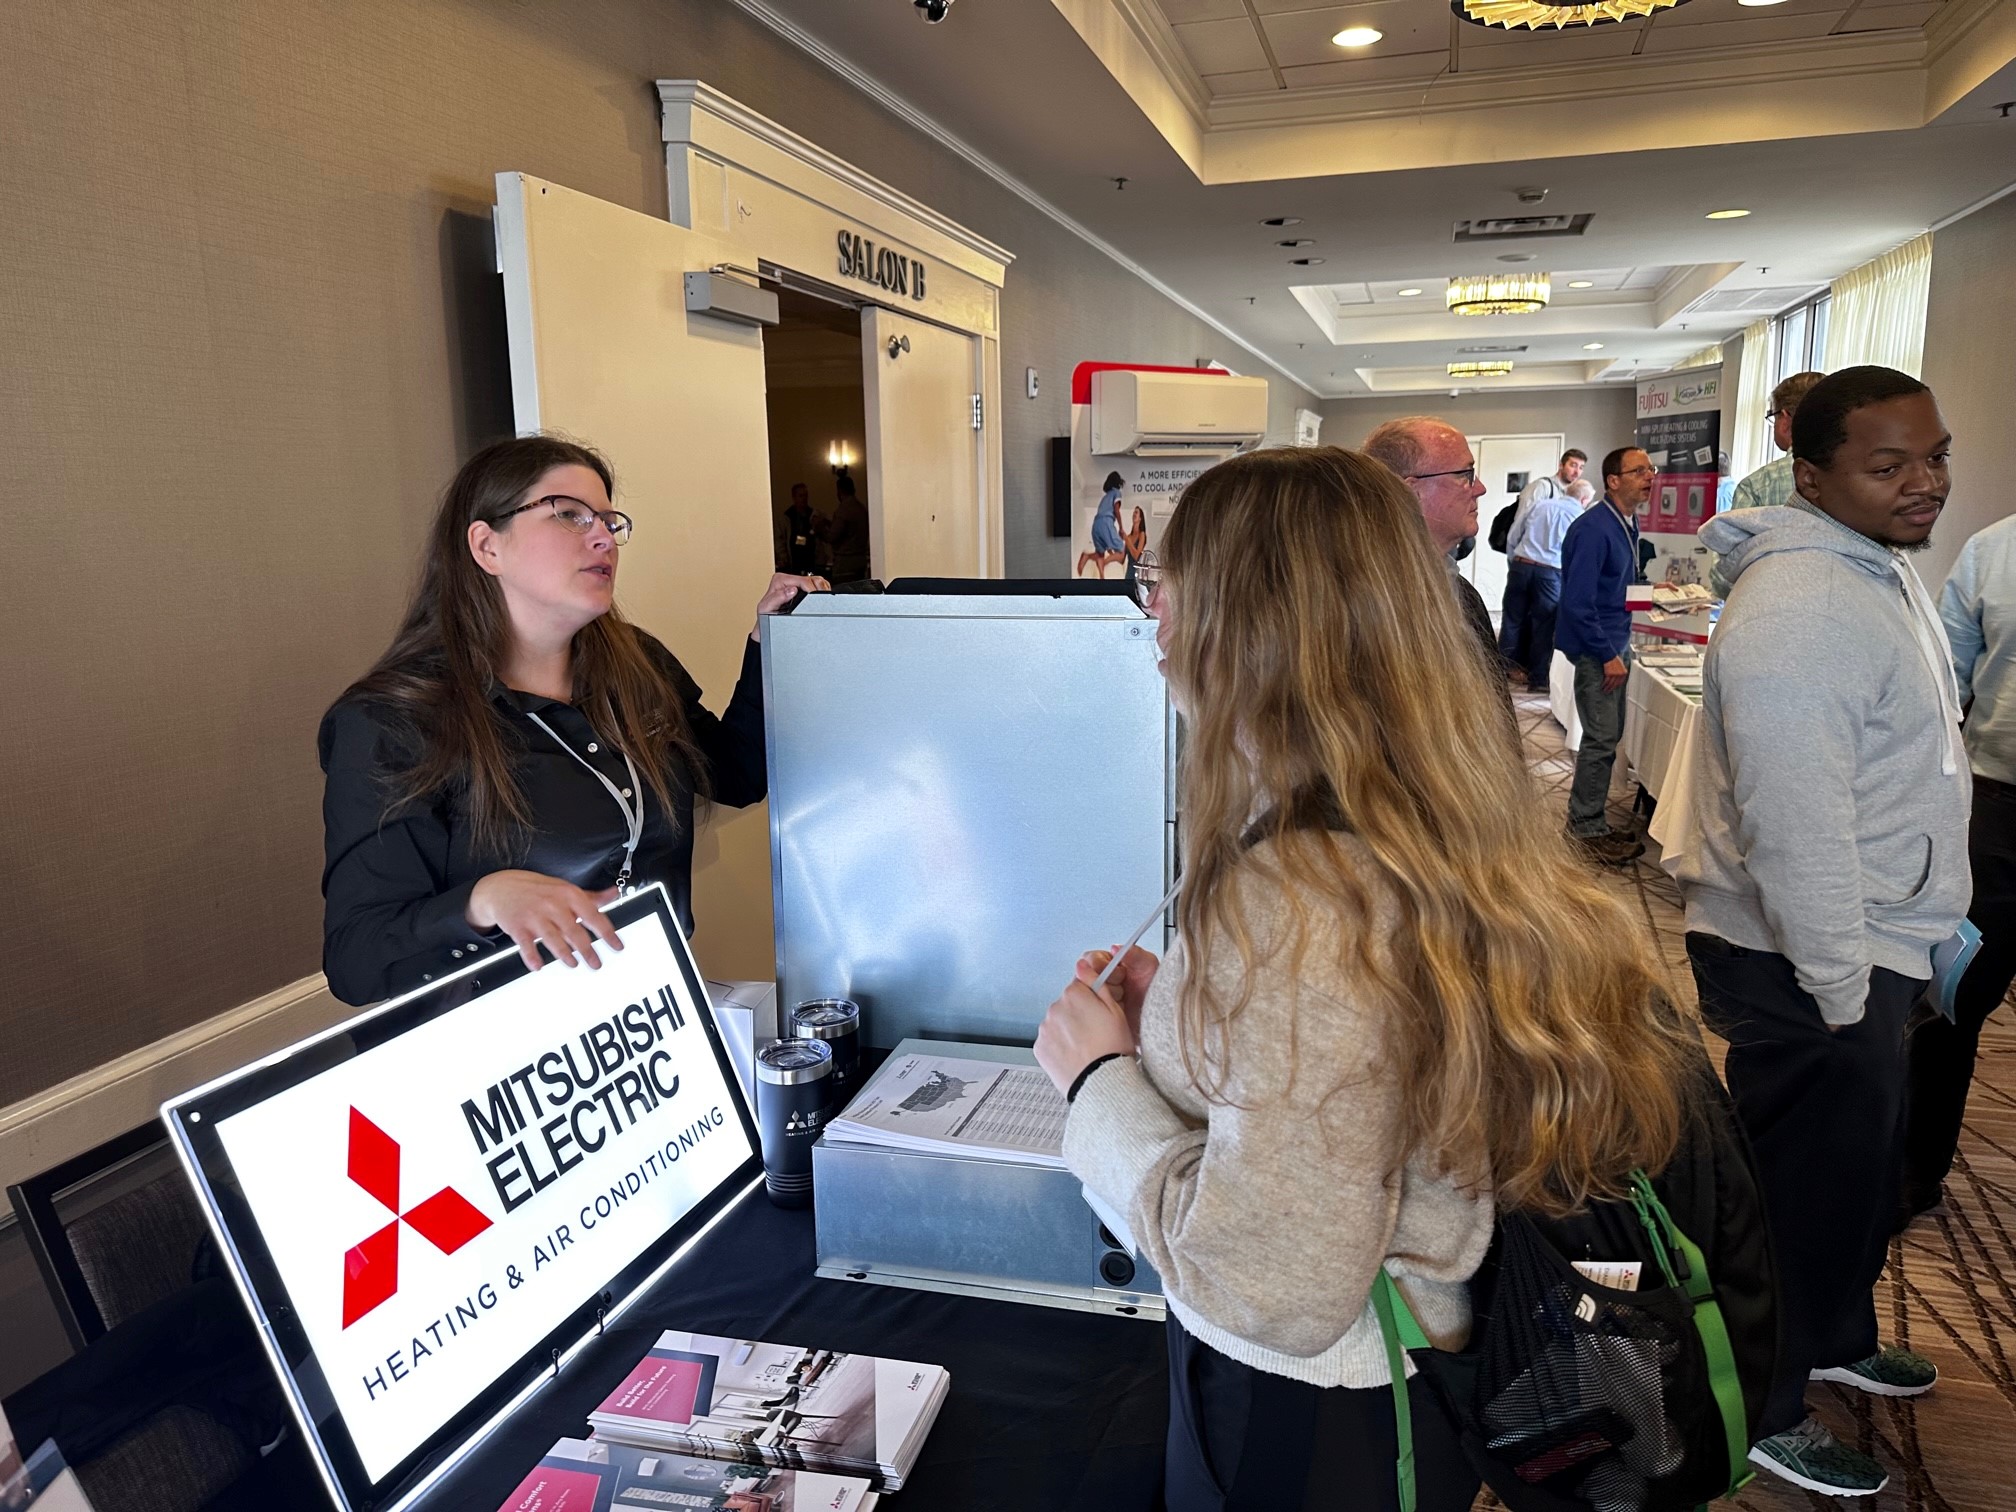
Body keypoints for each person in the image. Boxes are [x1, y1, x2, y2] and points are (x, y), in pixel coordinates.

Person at [1033, 446, 1703, 1512]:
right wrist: (1191, 1010)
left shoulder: (1300, 891)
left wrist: (1094, 1082)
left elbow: (1274, 1283)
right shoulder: (1423, 814)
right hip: (1419, 1370)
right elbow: (1361, 1059)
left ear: (1248, 622)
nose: (1152, 622)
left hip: (1313, 1408)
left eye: (1168, 588)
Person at [1676, 366, 1969, 1497]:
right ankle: (1763, 1402)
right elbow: (1796, 825)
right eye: (1888, 465)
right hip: (1808, 955)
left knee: (1852, 1180)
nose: (1924, 484)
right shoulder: (1801, 606)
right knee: (1795, 1197)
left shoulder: (1871, 569)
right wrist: (1846, 989)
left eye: (1934, 455)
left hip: (1869, 943)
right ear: (1812, 475)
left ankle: (1838, 1334)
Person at [319, 435, 826, 1006]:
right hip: (514, 1060)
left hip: (654, 1021)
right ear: (487, 547)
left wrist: (770, 643)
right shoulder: (393, 722)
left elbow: (737, 774)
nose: (602, 536)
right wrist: (482, 901)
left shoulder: (638, 666)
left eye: (610, 521)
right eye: (568, 515)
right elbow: (356, 960)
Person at [1902, 508, 2016, 1220]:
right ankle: (1914, 1169)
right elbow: (1939, 682)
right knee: (1951, 999)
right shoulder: (1993, 551)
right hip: (2000, 809)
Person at [1556, 447, 1653, 864]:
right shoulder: (1595, 529)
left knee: (1607, 738)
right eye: (1638, 471)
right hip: (1602, 649)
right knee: (1599, 741)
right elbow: (1577, 604)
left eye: (1650, 470)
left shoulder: (1628, 522)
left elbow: (1619, 585)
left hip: (1616, 641)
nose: (1649, 476)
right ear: (1613, 480)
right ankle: (1585, 828)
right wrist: (1606, 654)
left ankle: (1587, 820)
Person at [1360, 418, 1500, 675]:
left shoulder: (1462, 593)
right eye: (1464, 475)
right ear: (1410, 492)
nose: (1480, 489)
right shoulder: (1361, 603)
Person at [1497, 448, 1588, 675]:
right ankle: (1534, 676)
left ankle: (1506, 670)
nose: (1576, 471)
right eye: (1573, 465)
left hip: (1523, 563)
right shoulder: (1543, 489)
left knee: (1514, 619)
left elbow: (1516, 534)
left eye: (1580, 467)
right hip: (1546, 570)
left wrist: (1517, 558)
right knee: (1541, 624)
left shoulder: (1550, 504)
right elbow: (1518, 523)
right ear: (1561, 465)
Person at [1730, 370, 1826, 511]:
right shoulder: (1858, 476)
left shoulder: (1754, 488)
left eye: (1773, 417)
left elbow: (1736, 533)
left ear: (1785, 420)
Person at [819, 471, 872, 585]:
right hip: (861, 559)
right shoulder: (861, 508)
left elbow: (831, 537)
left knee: (842, 592)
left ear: (840, 491)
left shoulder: (843, 510)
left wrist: (819, 526)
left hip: (845, 562)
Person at [1079, 472, 1128, 578]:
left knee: (1100, 553)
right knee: (1121, 551)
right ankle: (1105, 563)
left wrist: (1109, 547)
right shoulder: (1117, 493)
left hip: (1096, 524)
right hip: (1106, 522)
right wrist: (1121, 527)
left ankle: (1098, 571)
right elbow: (1116, 510)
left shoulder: (1105, 497)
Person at [777, 481, 819, 575]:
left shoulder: (813, 515)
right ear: (794, 497)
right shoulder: (787, 518)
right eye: (800, 496)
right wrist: (783, 557)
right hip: (793, 561)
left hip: (810, 560)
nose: (804, 499)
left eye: (805, 496)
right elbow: (780, 539)